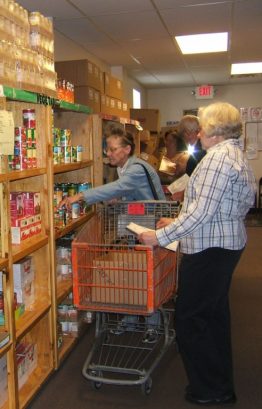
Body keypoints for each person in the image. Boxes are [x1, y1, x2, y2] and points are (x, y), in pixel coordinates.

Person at [138, 102, 256, 404]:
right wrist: (177, 221)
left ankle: (210, 390)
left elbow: (203, 212)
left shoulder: (217, 160)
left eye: (203, 126)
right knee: (213, 318)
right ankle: (218, 384)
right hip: (221, 243)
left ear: (215, 131)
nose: (198, 132)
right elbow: (214, 207)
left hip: (210, 248)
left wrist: (159, 236)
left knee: (191, 320)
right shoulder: (232, 154)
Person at [59, 126, 165, 343]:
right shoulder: (125, 166)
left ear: (127, 149)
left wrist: (81, 196)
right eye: (107, 149)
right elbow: (128, 192)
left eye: (112, 149)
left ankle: (152, 325)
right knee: (131, 273)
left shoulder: (135, 169)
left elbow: (118, 187)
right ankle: (131, 318)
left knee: (146, 275)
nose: (108, 153)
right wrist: (120, 200)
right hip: (134, 223)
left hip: (149, 226)